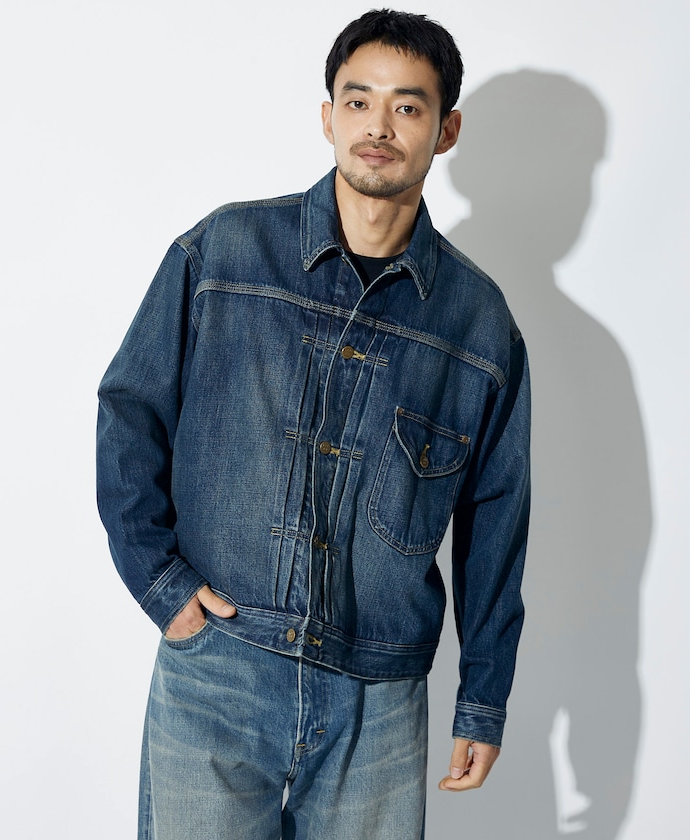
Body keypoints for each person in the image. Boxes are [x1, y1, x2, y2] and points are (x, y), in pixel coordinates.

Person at [96, 9, 530, 839]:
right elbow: (130, 410)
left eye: (408, 106)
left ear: (446, 130)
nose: (378, 127)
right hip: (218, 671)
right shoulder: (224, 254)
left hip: (379, 702)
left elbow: (496, 520)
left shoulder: (479, 325)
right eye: (358, 101)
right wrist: (162, 585)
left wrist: (483, 695)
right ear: (328, 116)